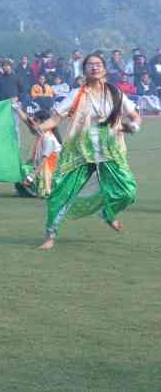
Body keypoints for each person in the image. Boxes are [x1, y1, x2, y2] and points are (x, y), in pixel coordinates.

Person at [33, 53, 142, 250]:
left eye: (98, 64)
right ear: (84, 71)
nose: (94, 67)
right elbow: (56, 119)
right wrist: (42, 127)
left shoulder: (116, 93)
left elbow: (135, 117)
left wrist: (132, 126)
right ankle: (50, 235)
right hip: (80, 153)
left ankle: (108, 214)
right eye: (90, 65)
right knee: (60, 195)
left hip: (110, 151)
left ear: (105, 69)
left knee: (128, 192)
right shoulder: (77, 94)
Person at [14, 109, 62, 198]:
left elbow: (43, 162)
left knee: (27, 173)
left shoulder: (49, 139)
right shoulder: (42, 133)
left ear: (42, 122)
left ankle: (35, 189)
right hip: (41, 169)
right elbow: (27, 121)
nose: (33, 124)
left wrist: (30, 178)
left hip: (48, 173)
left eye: (35, 121)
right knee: (22, 170)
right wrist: (17, 107)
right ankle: (31, 188)